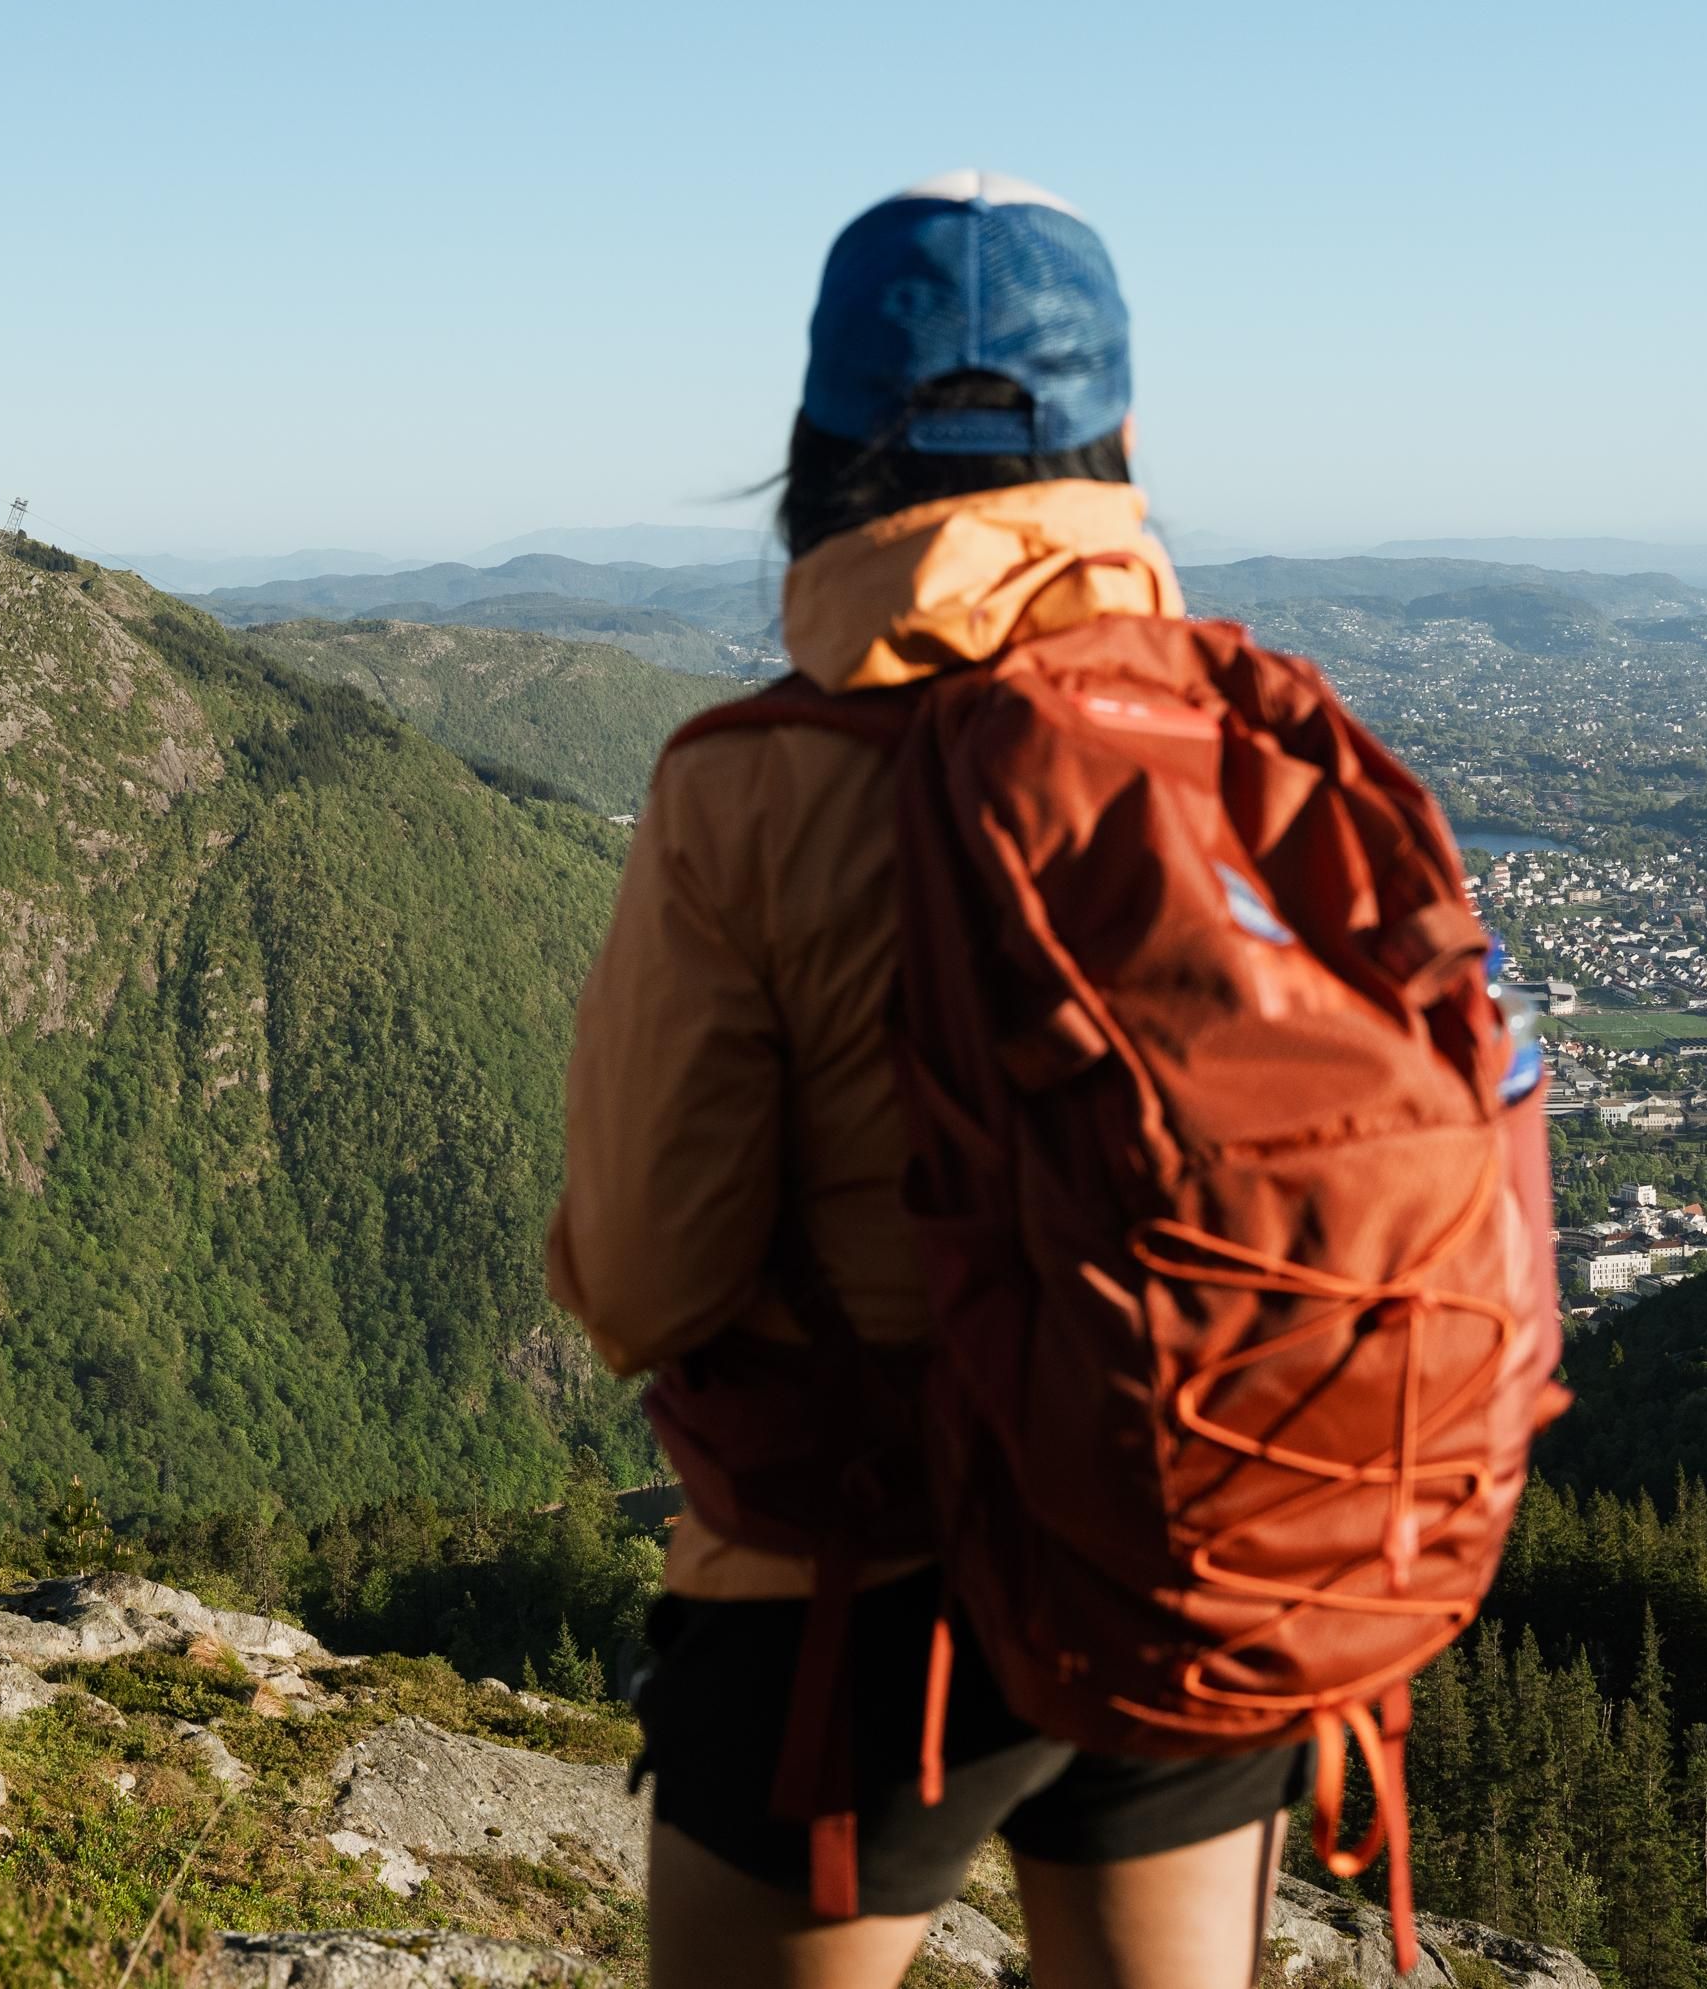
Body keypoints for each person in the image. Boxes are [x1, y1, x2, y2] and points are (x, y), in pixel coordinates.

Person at [550, 172, 1306, 1989]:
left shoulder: (747, 790)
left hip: (850, 1595)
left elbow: (656, 1275)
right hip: (1184, 1535)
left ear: (821, 447)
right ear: (1114, 445)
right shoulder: (1247, 747)